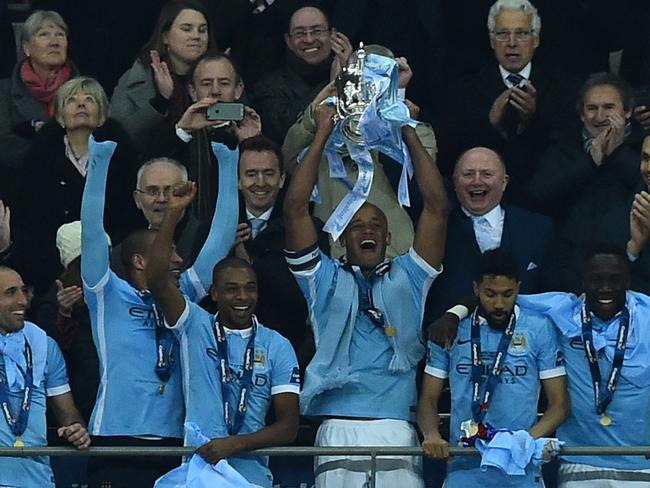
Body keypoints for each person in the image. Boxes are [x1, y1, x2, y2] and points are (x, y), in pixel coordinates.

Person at [283, 102, 447, 487]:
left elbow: (437, 208)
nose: (366, 230)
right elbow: (294, 210)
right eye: (356, 225)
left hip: (395, 425)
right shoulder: (322, 279)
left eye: (375, 224)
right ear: (341, 237)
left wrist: (406, 129)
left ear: (388, 237)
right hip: (337, 426)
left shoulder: (409, 276)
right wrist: (322, 131)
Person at [80, 134, 238, 487]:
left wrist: (228, 163)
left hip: (174, 442)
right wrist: (100, 161)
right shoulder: (106, 293)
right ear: (139, 261)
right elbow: (92, 230)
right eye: (170, 255)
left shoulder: (182, 296)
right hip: (116, 439)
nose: (179, 260)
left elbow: (221, 238)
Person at [434, 243, 650, 486]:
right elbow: (496, 296)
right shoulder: (561, 311)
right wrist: (454, 313)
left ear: (629, 281)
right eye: (595, 280)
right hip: (580, 461)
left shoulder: (647, 316)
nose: (605, 288)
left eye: (615, 279)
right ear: (582, 282)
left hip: (641, 461)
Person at [146, 184, 300, 488]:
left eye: (250, 287)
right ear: (214, 293)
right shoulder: (195, 326)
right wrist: (173, 214)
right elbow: (157, 279)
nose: (242, 296)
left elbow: (288, 427)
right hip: (199, 475)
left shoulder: (276, 345)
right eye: (231, 289)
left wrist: (233, 444)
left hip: (252, 477)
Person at [418, 249, 569, 487]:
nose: (499, 304)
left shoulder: (539, 328)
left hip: (521, 469)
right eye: (490, 294)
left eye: (507, 294)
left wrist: (522, 442)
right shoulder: (449, 330)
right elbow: (427, 399)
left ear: (518, 288)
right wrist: (431, 435)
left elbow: (560, 405)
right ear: (476, 289)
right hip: (465, 467)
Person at [282, 49, 434, 259]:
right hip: (332, 259)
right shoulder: (325, 130)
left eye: (376, 79)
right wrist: (322, 100)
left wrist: (397, 101)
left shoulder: (412, 128)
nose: (366, 88)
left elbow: (422, 182)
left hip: (393, 256)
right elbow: (288, 160)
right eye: (358, 79)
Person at [442, 0, 578, 205]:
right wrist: (491, 124)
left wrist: (531, 120)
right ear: (491, 41)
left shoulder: (565, 88)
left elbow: (567, 151)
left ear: (536, 39)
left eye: (522, 33)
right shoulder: (465, 90)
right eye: (503, 34)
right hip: (483, 201)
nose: (512, 42)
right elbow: (450, 153)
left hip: (545, 201)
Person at [13, 76, 138, 297]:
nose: (81, 104)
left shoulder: (122, 157)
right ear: (60, 116)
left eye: (89, 99)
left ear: (102, 115)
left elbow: (129, 216)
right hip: (52, 269)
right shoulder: (39, 160)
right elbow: (30, 219)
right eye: (72, 100)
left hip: (111, 267)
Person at [527, 73, 644, 292]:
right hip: (570, 272)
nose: (599, 117)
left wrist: (617, 153)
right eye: (591, 108)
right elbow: (539, 197)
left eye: (609, 107)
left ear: (627, 111)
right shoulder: (562, 147)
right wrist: (589, 163)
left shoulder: (644, 148)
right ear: (581, 114)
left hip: (632, 270)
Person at [233, 134, 329, 369]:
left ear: (282, 178)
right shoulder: (216, 230)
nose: (260, 182)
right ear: (237, 180)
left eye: (268, 173)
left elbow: (307, 299)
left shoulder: (309, 230)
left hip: (288, 354)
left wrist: (248, 267)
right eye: (251, 174)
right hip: (228, 355)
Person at [424, 146, 553, 320]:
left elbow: (551, 291)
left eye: (486, 174)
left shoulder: (537, 228)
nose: (477, 182)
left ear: (504, 182)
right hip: (454, 340)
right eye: (468, 174)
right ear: (454, 182)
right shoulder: (437, 229)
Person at [145, 51, 262, 223]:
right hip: (184, 236)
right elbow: (147, 173)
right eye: (206, 83)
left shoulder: (250, 133)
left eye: (224, 83)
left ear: (238, 90)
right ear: (192, 91)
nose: (215, 91)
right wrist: (182, 131)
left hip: (240, 232)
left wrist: (252, 143)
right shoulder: (177, 135)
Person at [0, 265, 90, 487]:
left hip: (37, 479)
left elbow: (68, 413)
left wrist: (76, 429)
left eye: (23, 291)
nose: (22, 301)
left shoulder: (44, 345)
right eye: (10, 293)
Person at [110, 0, 215, 155]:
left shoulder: (221, 76)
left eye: (202, 30)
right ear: (165, 37)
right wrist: (161, 101)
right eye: (187, 29)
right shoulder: (137, 78)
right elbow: (117, 139)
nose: (196, 36)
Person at [0, 10, 78, 206]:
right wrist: (52, 157)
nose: (54, 41)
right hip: (21, 189)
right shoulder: (4, 91)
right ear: (26, 47)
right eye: (44, 34)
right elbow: (3, 142)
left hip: (76, 187)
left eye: (60, 34)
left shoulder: (88, 90)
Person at [251, 4, 352, 144]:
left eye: (317, 31)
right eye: (300, 33)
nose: (309, 40)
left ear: (332, 35)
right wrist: (333, 86)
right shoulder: (269, 87)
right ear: (288, 41)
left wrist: (350, 74)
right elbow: (284, 131)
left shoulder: (355, 77)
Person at [110, 157, 209, 279]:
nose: (161, 199)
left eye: (170, 191)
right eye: (152, 191)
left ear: (187, 194)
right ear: (137, 199)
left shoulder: (207, 241)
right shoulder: (121, 254)